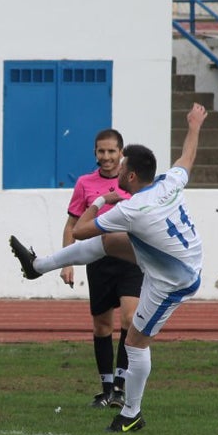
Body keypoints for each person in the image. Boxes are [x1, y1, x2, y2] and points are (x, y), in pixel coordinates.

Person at [9, 104, 209, 432]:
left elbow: (79, 230)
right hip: (176, 256)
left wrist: (105, 200)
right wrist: (194, 125)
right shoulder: (168, 183)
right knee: (109, 243)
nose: (116, 167)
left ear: (130, 176)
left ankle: (131, 413)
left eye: (122, 164)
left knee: (135, 342)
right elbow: (185, 158)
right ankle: (38, 265)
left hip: (173, 279)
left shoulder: (131, 208)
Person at [60, 129, 143, 409]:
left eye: (111, 151)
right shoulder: (85, 184)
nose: (106, 157)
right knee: (102, 326)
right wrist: (67, 261)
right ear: (95, 153)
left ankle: (121, 385)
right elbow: (72, 225)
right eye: (101, 151)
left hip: (130, 258)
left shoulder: (132, 182)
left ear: (121, 153)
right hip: (98, 260)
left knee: (130, 320)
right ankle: (106, 389)